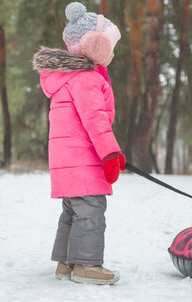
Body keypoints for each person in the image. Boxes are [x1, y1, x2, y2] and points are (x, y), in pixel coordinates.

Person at [33, 2, 124, 285]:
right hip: (83, 158)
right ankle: (86, 264)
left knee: (73, 210)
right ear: (94, 45)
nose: (112, 50)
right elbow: (95, 120)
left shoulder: (68, 77)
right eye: (110, 44)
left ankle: (66, 261)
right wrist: (110, 153)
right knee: (91, 210)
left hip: (69, 159)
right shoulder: (85, 79)